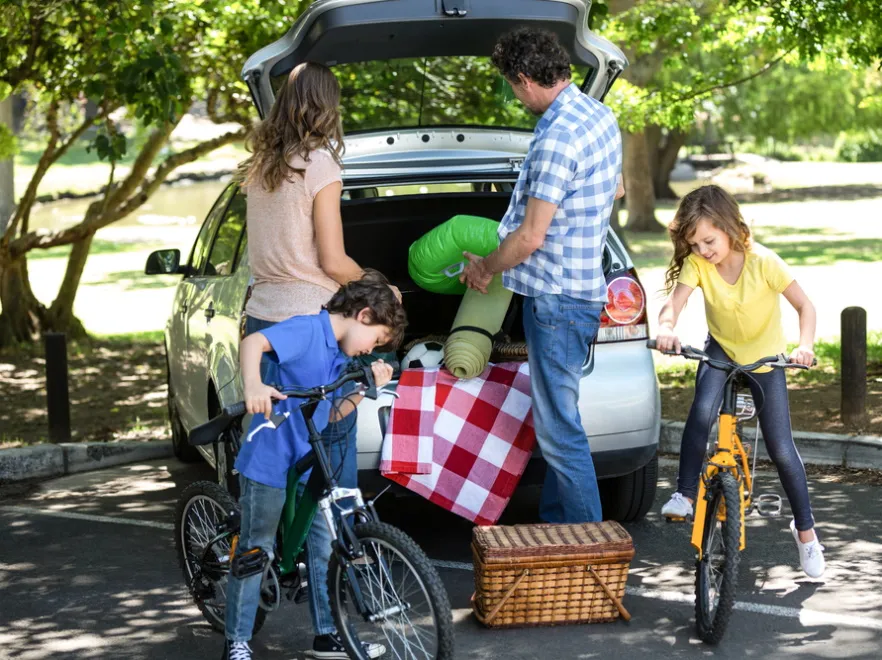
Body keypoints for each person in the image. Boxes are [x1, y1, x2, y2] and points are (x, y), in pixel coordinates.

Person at [460, 27, 623, 524]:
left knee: (559, 431)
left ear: (526, 79)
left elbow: (531, 237)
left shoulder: (557, 136)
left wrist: (487, 267)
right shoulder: (598, 116)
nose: (516, 95)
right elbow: (615, 192)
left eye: (513, 86)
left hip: (555, 301)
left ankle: (589, 551)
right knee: (560, 418)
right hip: (580, 292)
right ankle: (558, 527)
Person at [222, 277, 407, 660]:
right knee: (256, 549)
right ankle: (236, 641)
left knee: (324, 548)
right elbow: (253, 342)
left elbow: (332, 413)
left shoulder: (343, 358)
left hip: (311, 456)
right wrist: (253, 385)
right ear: (363, 314)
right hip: (271, 454)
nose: (372, 349)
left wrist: (363, 390)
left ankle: (327, 634)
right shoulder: (308, 330)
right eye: (375, 339)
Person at [654, 184, 825, 578]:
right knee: (700, 414)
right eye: (695, 244)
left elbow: (805, 306)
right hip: (721, 351)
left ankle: (806, 534)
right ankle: (684, 494)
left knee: (782, 449)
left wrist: (805, 345)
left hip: (765, 359)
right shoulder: (698, 265)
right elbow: (675, 303)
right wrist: (666, 327)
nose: (703, 250)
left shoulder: (764, 261)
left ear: (730, 227)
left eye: (709, 240)